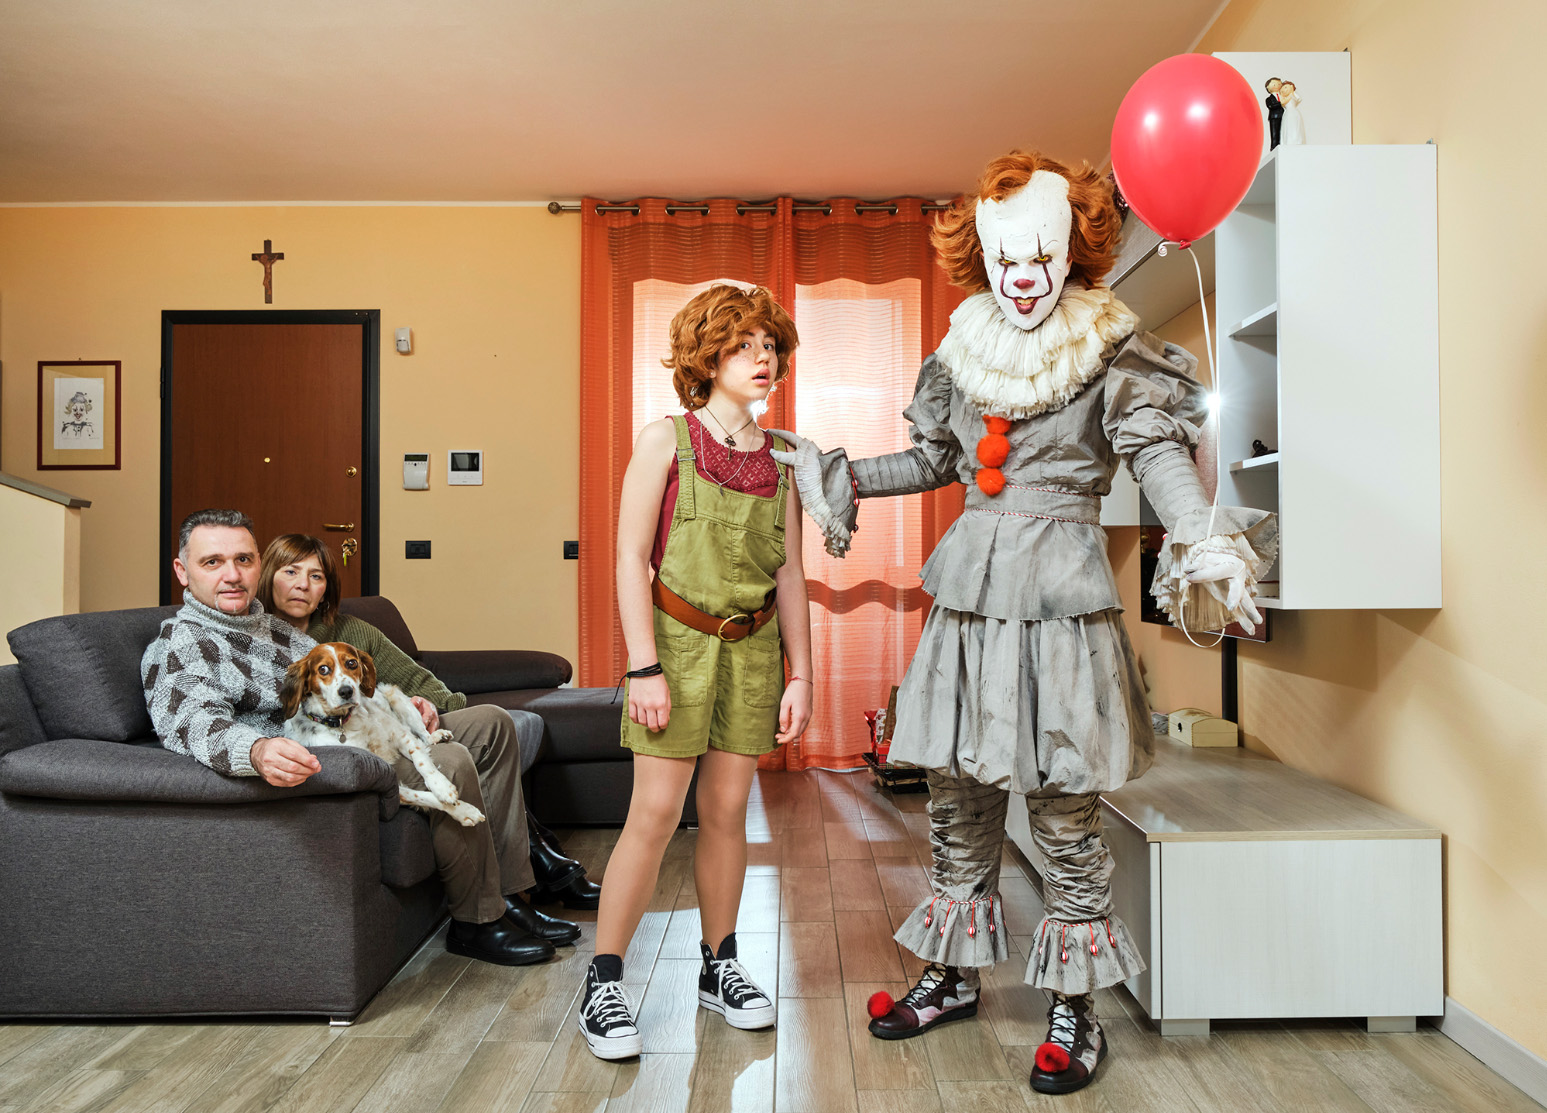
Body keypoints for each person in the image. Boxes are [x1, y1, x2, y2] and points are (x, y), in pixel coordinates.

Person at [771, 151, 1274, 1095]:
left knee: (1062, 811)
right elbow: (932, 460)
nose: (1023, 278)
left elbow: (1156, 451)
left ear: (1071, 249)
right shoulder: (965, 353)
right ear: (984, 260)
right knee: (957, 799)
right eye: (1006, 261)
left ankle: (1075, 1006)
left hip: (1059, 602)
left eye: (1039, 256)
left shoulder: (1110, 349)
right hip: (969, 599)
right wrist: (835, 473)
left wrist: (1201, 534)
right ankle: (952, 977)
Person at [142, 508, 575, 968]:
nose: (232, 575)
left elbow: (347, 692)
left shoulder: (269, 627)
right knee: (449, 762)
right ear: (182, 572)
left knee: (490, 723)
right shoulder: (182, 643)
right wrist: (256, 749)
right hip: (326, 760)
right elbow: (191, 721)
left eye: (243, 560)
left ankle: (510, 895)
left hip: (357, 727)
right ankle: (477, 922)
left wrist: (410, 705)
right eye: (213, 562)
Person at [578, 284, 815, 1060]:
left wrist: (800, 672)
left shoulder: (782, 461)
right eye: (744, 345)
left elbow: (789, 575)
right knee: (652, 814)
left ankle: (722, 967)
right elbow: (626, 558)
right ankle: (605, 980)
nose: (762, 359)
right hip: (673, 650)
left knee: (726, 812)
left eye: (770, 346)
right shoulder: (665, 440)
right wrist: (642, 666)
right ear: (707, 357)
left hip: (749, 652)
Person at [256, 532, 602, 910]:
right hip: (353, 747)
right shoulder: (259, 641)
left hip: (391, 723)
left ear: (327, 588)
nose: (303, 585)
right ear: (269, 573)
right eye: (291, 571)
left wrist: (429, 704)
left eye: (316, 576)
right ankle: (530, 880)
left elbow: (416, 676)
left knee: (494, 722)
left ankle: (520, 882)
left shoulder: (351, 631)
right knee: (452, 761)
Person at [1278, 80, 1306, 146]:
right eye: (1282, 89)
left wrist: (1292, 92)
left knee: (1295, 127)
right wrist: (1289, 95)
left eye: (1285, 87)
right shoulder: (1284, 98)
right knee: (1288, 127)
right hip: (1287, 113)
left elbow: (1299, 99)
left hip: (1294, 113)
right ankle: (1288, 141)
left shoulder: (1293, 95)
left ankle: (1297, 141)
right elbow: (1282, 102)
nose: (1283, 90)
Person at [1264, 76, 1285, 149]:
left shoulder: (1283, 96)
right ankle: (1274, 147)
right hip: (1274, 117)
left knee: (1283, 131)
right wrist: (1281, 103)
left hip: (1283, 116)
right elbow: (1271, 106)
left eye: (1279, 84)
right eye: (1274, 84)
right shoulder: (1269, 99)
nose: (1277, 86)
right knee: (1275, 133)